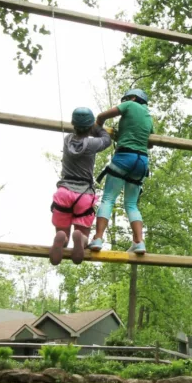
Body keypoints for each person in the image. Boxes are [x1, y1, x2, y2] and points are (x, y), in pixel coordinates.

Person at [88, 89, 154, 254]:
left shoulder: (129, 104)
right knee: (131, 204)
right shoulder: (148, 116)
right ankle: (139, 242)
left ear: (132, 98)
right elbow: (150, 143)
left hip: (124, 157)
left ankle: (97, 238)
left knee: (108, 199)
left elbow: (102, 116)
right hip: (142, 162)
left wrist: (98, 129)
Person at [49, 107, 112, 266]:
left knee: (62, 232)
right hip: (84, 194)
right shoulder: (92, 143)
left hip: (64, 192)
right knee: (83, 235)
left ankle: (62, 239)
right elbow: (107, 139)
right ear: (89, 127)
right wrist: (96, 126)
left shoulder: (67, 139)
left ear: (73, 124)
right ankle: (81, 239)